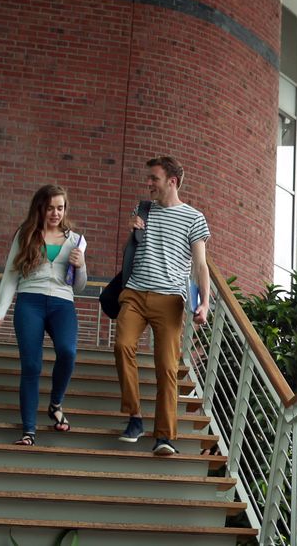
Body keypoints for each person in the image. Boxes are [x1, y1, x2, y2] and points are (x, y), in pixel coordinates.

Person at [114, 156, 209, 456]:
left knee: (167, 367)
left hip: (170, 300)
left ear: (172, 181)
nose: (149, 183)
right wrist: (133, 229)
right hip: (134, 293)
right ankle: (135, 417)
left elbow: (200, 264)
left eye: (154, 178)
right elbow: (132, 250)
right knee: (122, 346)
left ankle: (164, 436)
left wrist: (205, 302)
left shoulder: (194, 218)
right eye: (149, 178)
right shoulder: (143, 209)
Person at [0, 184, 88, 446]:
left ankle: (55, 403)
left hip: (62, 304)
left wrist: (80, 266)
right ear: (40, 208)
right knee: (32, 366)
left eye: (60, 207)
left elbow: (78, 286)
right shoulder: (26, 234)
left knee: (68, 352)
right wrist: (1, 309)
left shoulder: (76, 240)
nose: (56, 213)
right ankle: (29, 431)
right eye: (50, 208)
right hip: (29, 302)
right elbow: (11, 274)